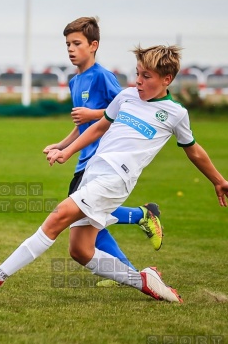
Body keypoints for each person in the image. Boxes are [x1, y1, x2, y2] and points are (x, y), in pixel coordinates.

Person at [0, 44, 228, 303]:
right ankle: (144, 281)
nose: (138, 81)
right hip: (94, 172)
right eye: (138, 74)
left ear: (167, 79)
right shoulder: (127, 96)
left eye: (146, 76)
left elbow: (194, 150)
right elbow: (99, 127)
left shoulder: (175, 113)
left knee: (57, 217)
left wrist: (219, 181)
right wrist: (66, 151)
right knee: (80, 250)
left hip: (117, 178)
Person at [43, 17, 163, 281]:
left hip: (103, 158)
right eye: (67, 44)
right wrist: (62, 146)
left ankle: (141, 217)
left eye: (77, 43)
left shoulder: (102, 76)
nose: (71, 49)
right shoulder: (75, 81)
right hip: (84, 157)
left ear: (93, 45)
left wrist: (92, 112)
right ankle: (129, 271)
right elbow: (82, 126)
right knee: (90, 221)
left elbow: (122, 111)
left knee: (82, 214)